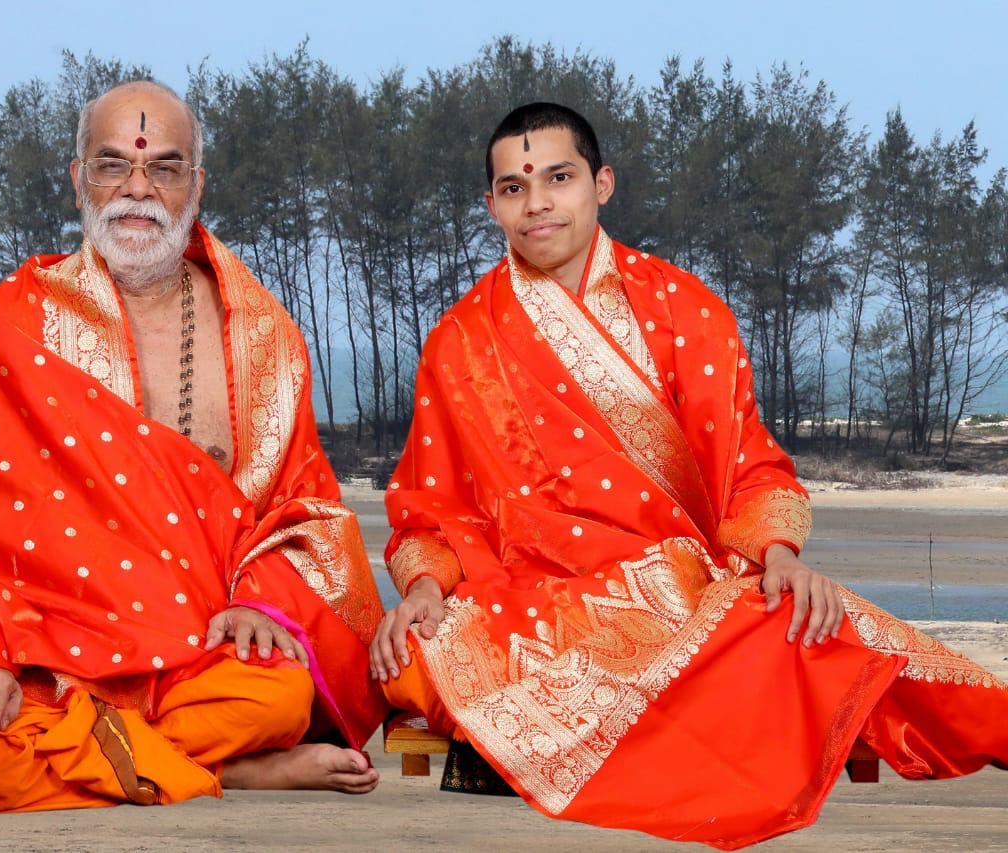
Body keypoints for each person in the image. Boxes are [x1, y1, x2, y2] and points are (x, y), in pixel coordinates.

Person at [370, 102, 1007, 848]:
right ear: (491, 205)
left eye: (558, 178)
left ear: (601, 183)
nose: (536, 202)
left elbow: (750, 467)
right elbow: (432, 506)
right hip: (530, 606)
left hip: (676, 597)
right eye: (513, 187)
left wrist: (779, 557)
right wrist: (421, 590)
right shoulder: (459, 339)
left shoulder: (685, 311)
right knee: (412, 655)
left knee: (808, 623)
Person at [0, 80, 386, 812]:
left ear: (197, 183)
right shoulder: (16, 323)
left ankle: (148, 754)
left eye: (164, 167)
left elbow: (306, 505)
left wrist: (260, 604)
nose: (137, 188)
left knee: (278, 694)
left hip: (201, 655)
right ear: (77, 176)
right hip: (50, 652)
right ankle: (231, 768)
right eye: (112, 163)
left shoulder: (264, 336)